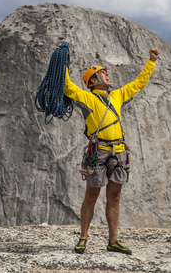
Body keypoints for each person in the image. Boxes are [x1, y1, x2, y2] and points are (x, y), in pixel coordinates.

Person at [63, 46, 160, 255]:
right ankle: (83, 238)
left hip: (119, 151)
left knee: (114, 196)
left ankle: (113, 241)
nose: (107, 75)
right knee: (91, 196)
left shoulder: (117, 95)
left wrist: (150, 62)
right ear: (94, 80)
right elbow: (68, 87)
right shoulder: (87, 97)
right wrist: (63, 61)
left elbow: (138, 84)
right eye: (102, 73)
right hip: (98, 152)